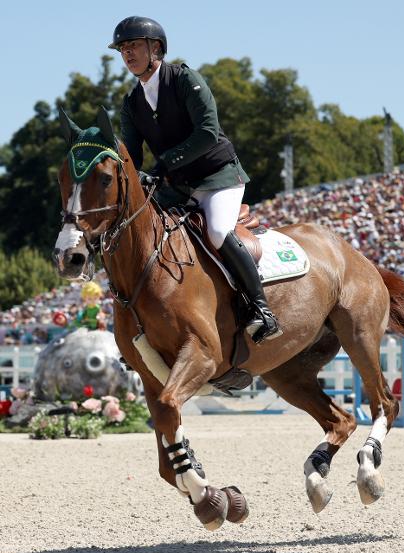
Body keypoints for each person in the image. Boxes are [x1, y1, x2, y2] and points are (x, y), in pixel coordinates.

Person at [108, 16, 282, 344]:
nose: (127, 53)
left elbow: (207, 132)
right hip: (177, 187)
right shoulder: (131, 103)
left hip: (219, 176)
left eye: (133, 45)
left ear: (155, 47)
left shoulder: (185, 80)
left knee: (216, 231)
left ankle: (262, 309)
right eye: (122, 48)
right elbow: (131, 156)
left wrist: (162, 166)